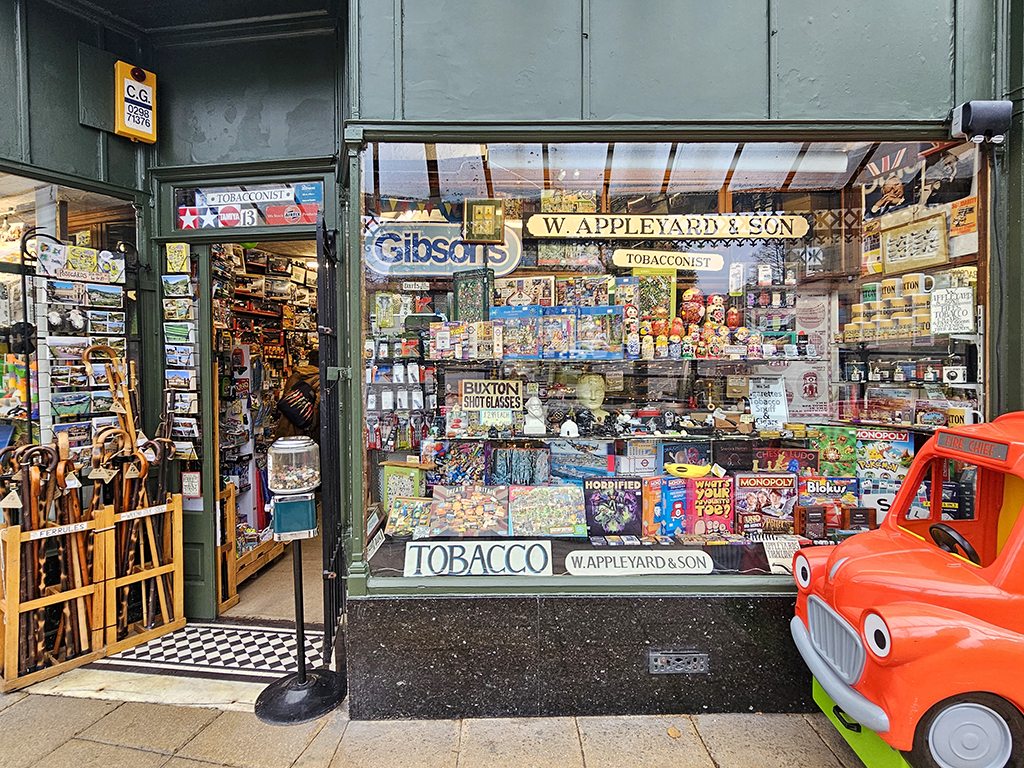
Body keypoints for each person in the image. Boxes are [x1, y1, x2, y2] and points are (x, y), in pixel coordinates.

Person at [275, 349, 320, 440]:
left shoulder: (295, 375)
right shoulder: (319, 380)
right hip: (304, 429)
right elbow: (317, 406)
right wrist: (312, 427)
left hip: (286, 424)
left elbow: (286, 396)